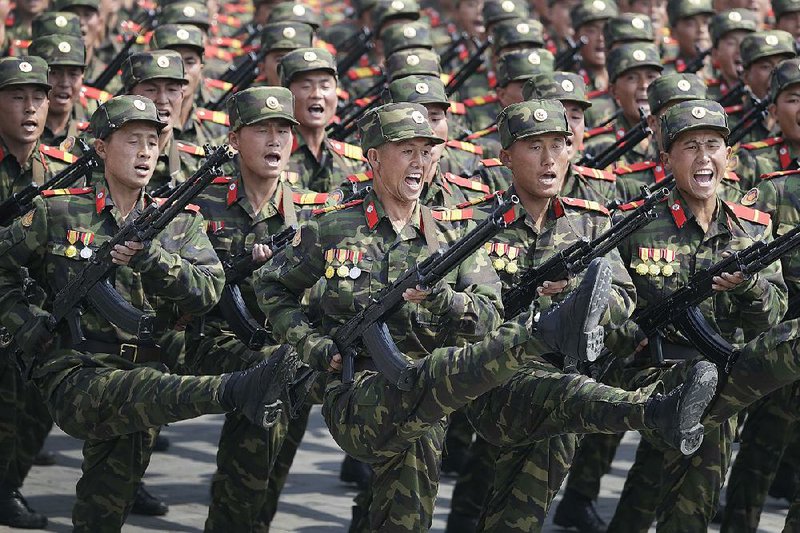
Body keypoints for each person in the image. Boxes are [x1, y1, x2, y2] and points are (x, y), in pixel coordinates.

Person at [255, 101, 614, 530]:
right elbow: (272, 286)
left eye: (426, 152)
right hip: (358, 388)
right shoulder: (332, 228)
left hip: (428, 387)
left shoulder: (451, 233)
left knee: (408, 509)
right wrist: (311, 344)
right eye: (406, 150)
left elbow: (488, 314)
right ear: (373, 158)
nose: (419, 163)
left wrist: (442, 300)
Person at [0, 93, 303, 532]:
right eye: (131, 141)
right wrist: (24, 324)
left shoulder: (178, 221)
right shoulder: (59, 210)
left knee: (107, 500)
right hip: (77, 367)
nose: (145, 152)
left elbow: (206, 293)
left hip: (147, 358)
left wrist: (152, 258)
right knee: (149, 390)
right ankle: (233, 390)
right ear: (102, 147)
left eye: (152, 141)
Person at [186, 85, 332, 532]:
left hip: (280, 345)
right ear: (234, 139)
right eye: (261, 131)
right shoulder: (198, 200)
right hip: (202, 339)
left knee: (270, 460)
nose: (275, 142)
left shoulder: (311, 212)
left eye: (283, 132)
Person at [0, 54, 77, 531]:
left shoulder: (61, 170)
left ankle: (8, 484)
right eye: (16, 98)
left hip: (38, 310)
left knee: (32, 407)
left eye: (38, 98)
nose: (30, 108)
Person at [280, 47, 369, 192]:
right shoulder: (271, 157)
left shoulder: (354, 163)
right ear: (286, 94)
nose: (316, 94)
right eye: (305, 86)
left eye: (325, 86)